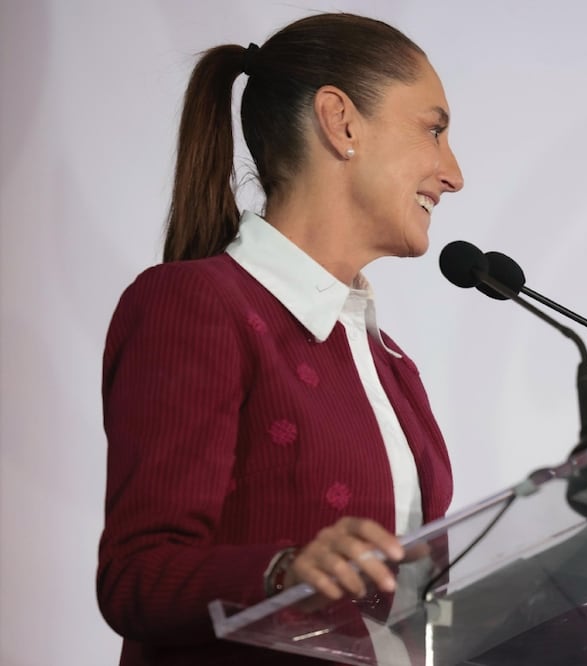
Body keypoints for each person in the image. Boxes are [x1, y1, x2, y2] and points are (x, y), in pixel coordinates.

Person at [97, 13, 463, 664]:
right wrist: (284, 572)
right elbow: (136, 578)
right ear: (340, 120)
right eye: (433, 130)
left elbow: (414, 623)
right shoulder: (195, 306)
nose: (453, 173)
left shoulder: (389, 364)